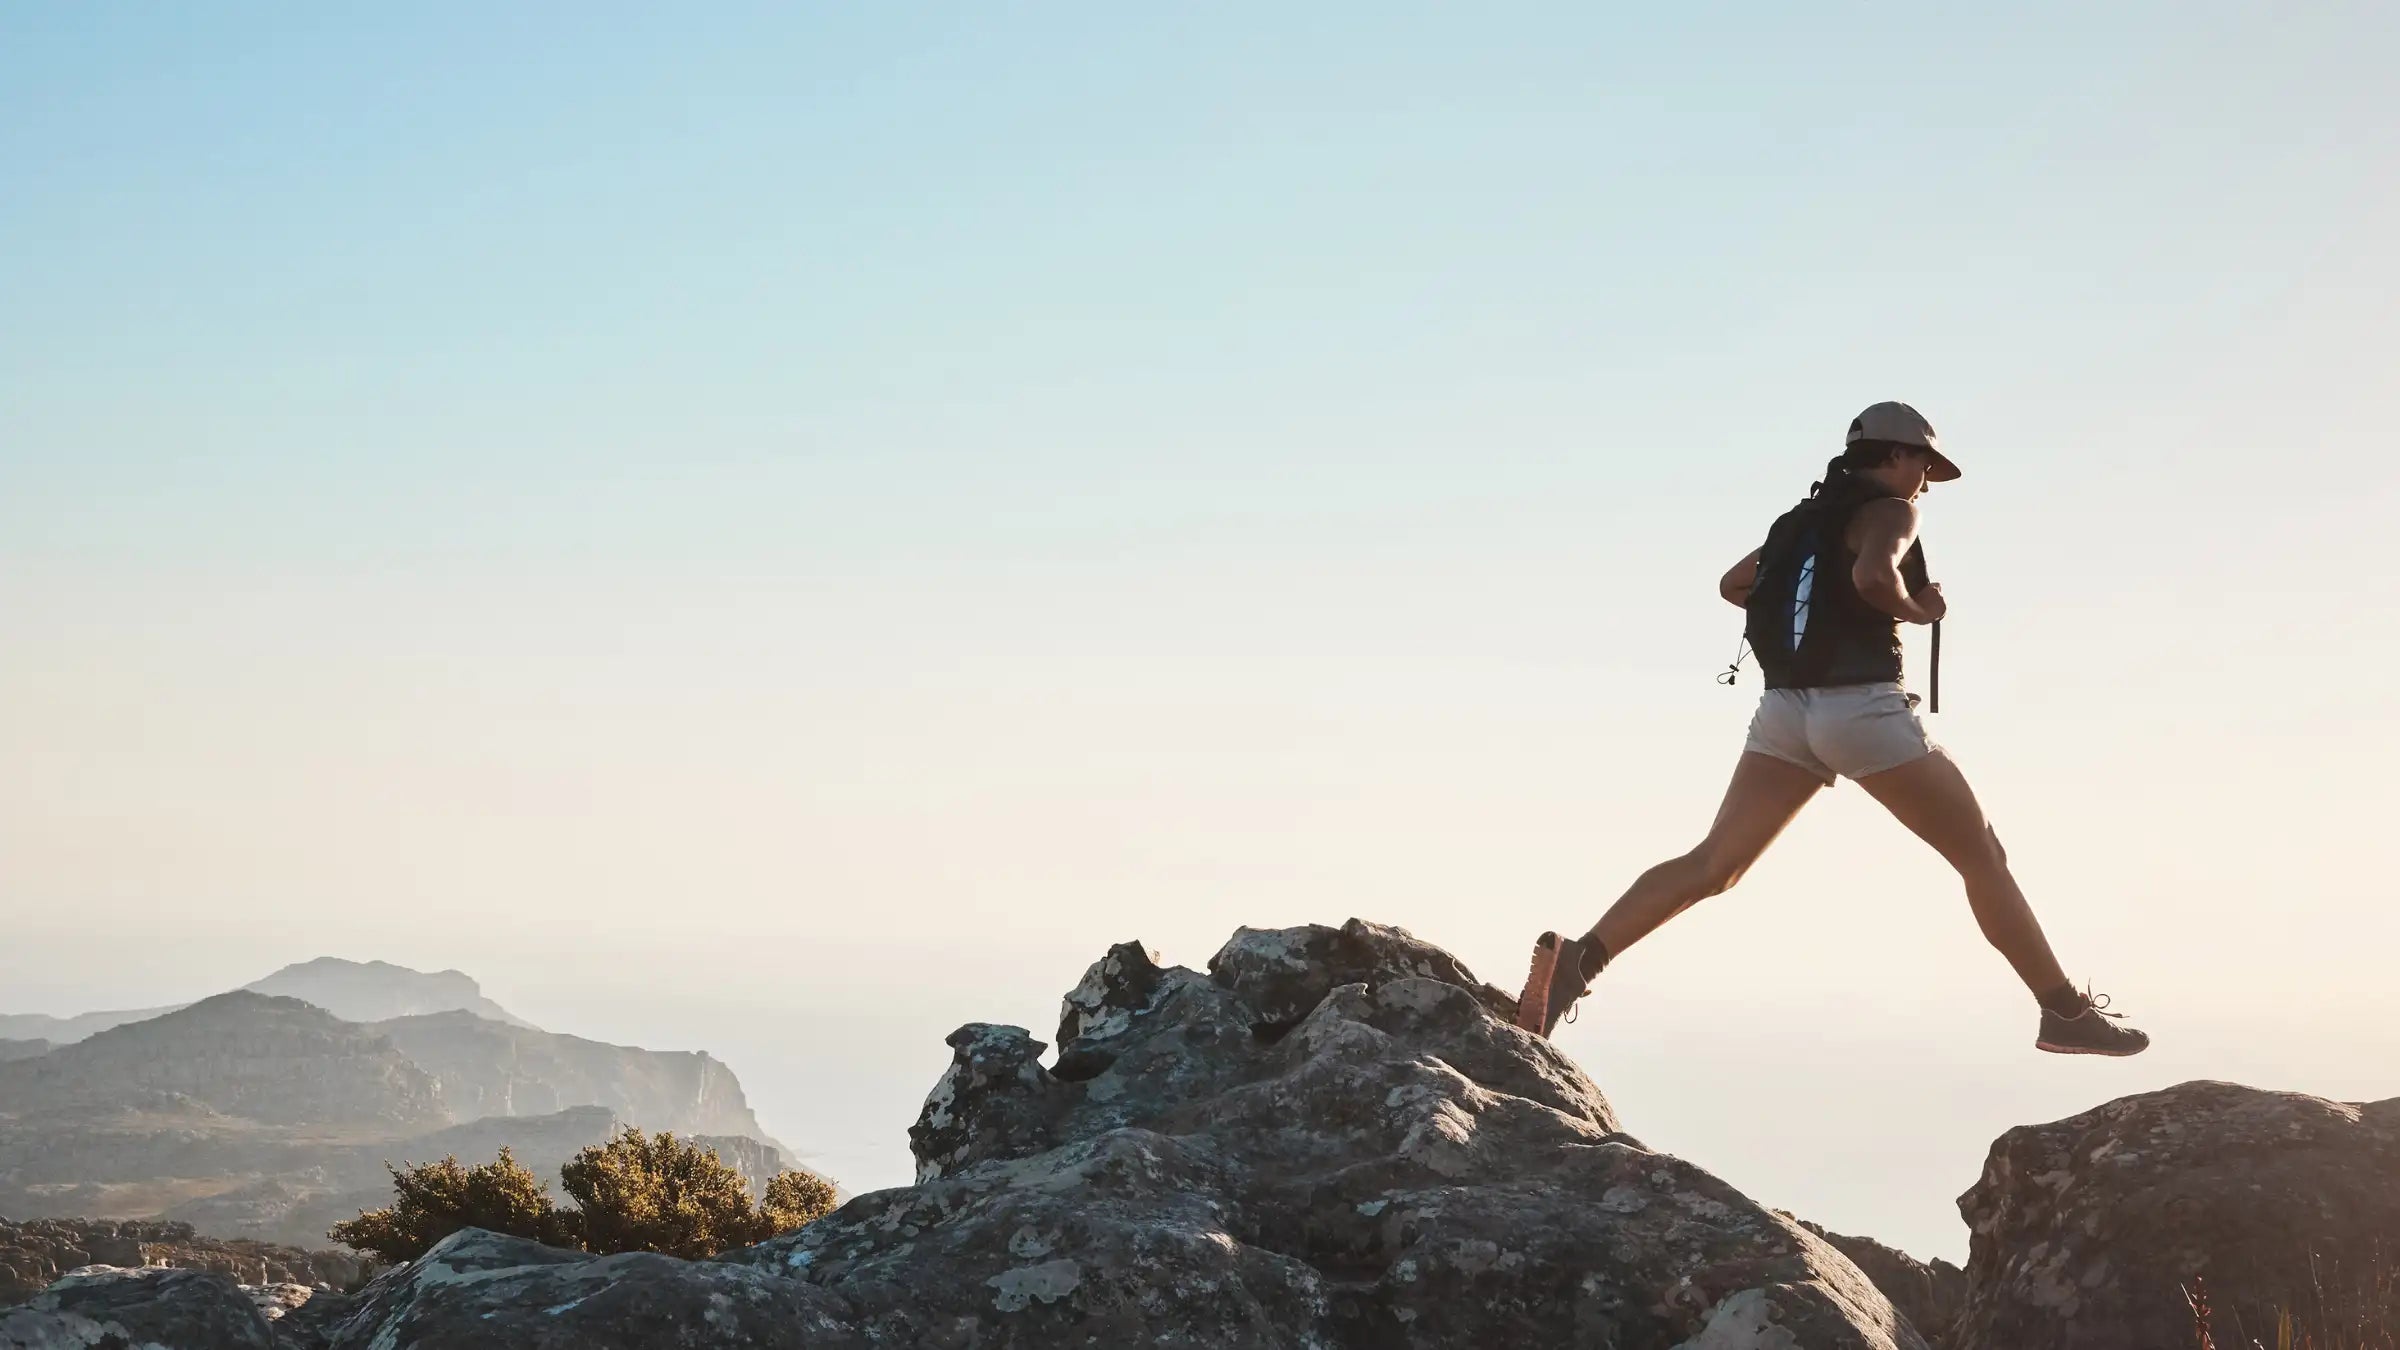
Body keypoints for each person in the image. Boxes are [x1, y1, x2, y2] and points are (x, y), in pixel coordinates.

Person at [1513, 401, 2148, 1057]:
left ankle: (1579, 962)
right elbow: (1874, 575)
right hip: (1861, 710)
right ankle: (2064, 1014)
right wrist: (1917, 609)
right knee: (1981, 857)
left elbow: (1736, 584)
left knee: (1714, 864)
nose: (1926, 482)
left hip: (1785, 712)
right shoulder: (1893, 512)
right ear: (1897, 456)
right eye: (1924, 465)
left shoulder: (1799, 521)